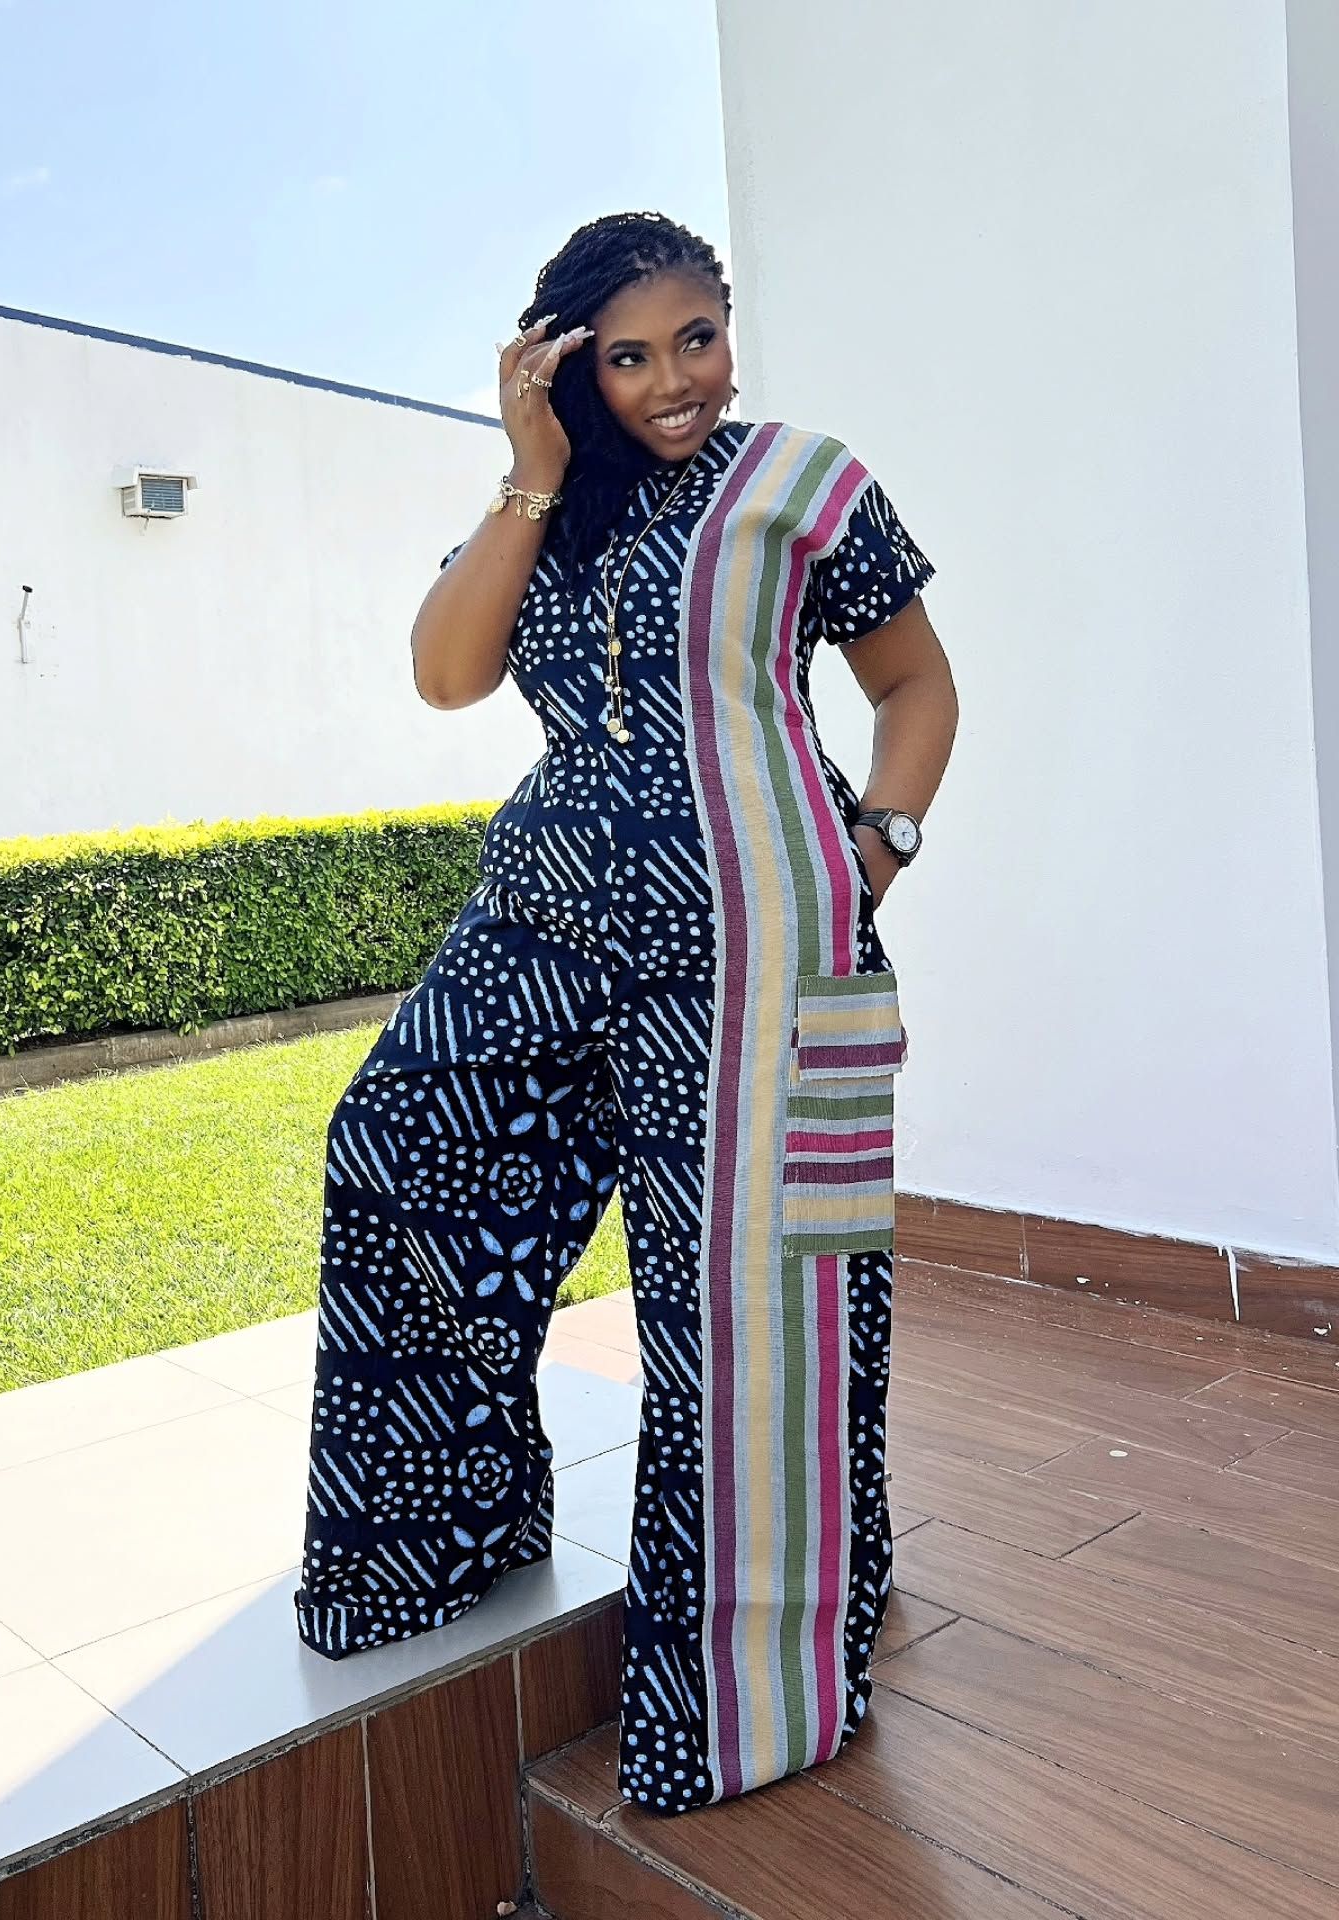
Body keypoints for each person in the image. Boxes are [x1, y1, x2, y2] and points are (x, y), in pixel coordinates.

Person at [293, 210, 959, 1818]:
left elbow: (917, 686)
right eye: (632, 355)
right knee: (398, 1153)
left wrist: (874, 849)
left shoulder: (804, 484)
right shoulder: (551, 503)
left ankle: (749, 1682)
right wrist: (530, 469)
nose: (675, 382)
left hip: (755, 933)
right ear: (567, 365)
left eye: (698, 340)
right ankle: (433, 1542)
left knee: (745, 1293)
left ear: (731, 327)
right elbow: (446, 677)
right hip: (543, 915)